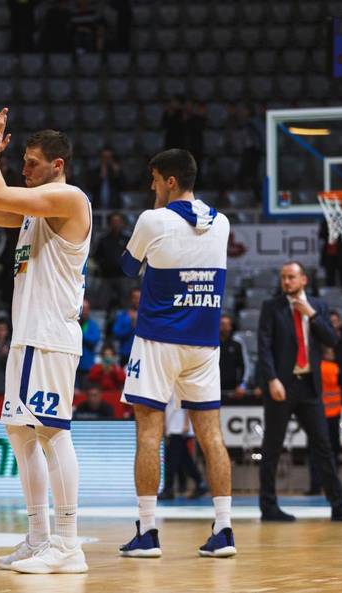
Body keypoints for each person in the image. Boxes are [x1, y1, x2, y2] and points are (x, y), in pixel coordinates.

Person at [0, 96, 91, 574]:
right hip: (27, 336)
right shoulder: (34, 212)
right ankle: (38, 538)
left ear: (57, 165)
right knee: (20, 433)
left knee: (53, 433)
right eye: (22, 162)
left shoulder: (67, 198)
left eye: (32, 165)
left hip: (51, 335)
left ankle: (69, 544)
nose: (25, 170)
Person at [118, 148, 236, 559]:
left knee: (149, 434)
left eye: (154, 180)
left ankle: (147, 532)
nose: (151, 187)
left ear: (169, 181)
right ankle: (223, 529)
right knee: (212, 437)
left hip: (157, 340)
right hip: (203, 344)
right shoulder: (220, 223)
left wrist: (156, 209)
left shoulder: (154, 219)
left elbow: (128, 268)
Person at [257, 261, 342, 522]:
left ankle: (339, 505)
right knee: (272, 447)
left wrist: (311, 314)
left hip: (309, 385)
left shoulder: (318, 306)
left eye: (291, 277)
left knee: (323, 445)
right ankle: (269, 507)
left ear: (303, 280)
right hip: (282, 385)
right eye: (283, 277)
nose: (286, 282)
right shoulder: (272, 307)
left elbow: (332, 340)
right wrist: (271, 380)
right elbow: (264, 346)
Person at [306, 347, 342, 495]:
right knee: (332, 451)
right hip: (333, 414)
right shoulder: (335, 368)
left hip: (317, 413)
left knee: (314, 451)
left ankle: (315, 486)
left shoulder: (315, 367)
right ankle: (333, 487)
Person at [162, 395, 208, 500]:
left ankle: (168, 489)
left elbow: (187, 406)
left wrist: (186, 424)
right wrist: (165, 425)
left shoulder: (180, 383)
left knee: (171, 460)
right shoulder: (169, 386)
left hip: (179, 427)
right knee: (185, 459)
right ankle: (200, 483)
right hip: (172, 427)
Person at [219, 314, 248, 398]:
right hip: (215, 387)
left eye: (227, 324)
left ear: (231, 326)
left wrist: (242, 385)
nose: (224, 327)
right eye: (222, 324)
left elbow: (244, 365)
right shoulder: (212, 343)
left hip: (233, 388)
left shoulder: (237, 344)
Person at [319, 219, 342, 287]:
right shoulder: (326, 221)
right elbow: (321, 235)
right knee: (330, 280)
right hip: (330, 255)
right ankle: (330, 295)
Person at [112, 288, 139, 366]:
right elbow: (116, 333)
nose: (137, 300)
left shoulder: (146, 316)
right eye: (135, 298)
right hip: (125, 354)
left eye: (139, 298)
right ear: (131, 299)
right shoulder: (123, 315)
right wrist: (131, 326)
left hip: (141, 354)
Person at [77, 299, 101, 386]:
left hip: (87, 367)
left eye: (87, 309)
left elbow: (94, 339)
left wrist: (79, 332)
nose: (85, 312)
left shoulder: (92, 325)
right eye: (83, 309)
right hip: (73, 364)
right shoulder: (73, 324)